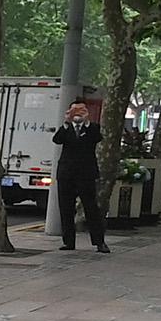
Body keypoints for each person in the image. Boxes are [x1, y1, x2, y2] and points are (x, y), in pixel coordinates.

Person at [51, 98, 106, 253]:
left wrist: (87, 121)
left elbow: (96, 138)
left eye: (81, 110)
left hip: (86, 174)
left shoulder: (92, 128)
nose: (77, 114)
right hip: (66, 174)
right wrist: (67, 122)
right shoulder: (66, 129)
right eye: (74, 110)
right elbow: (57, 139)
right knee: (66, 209)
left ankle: (99, 242)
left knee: (91, 208)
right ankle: (68, 241)